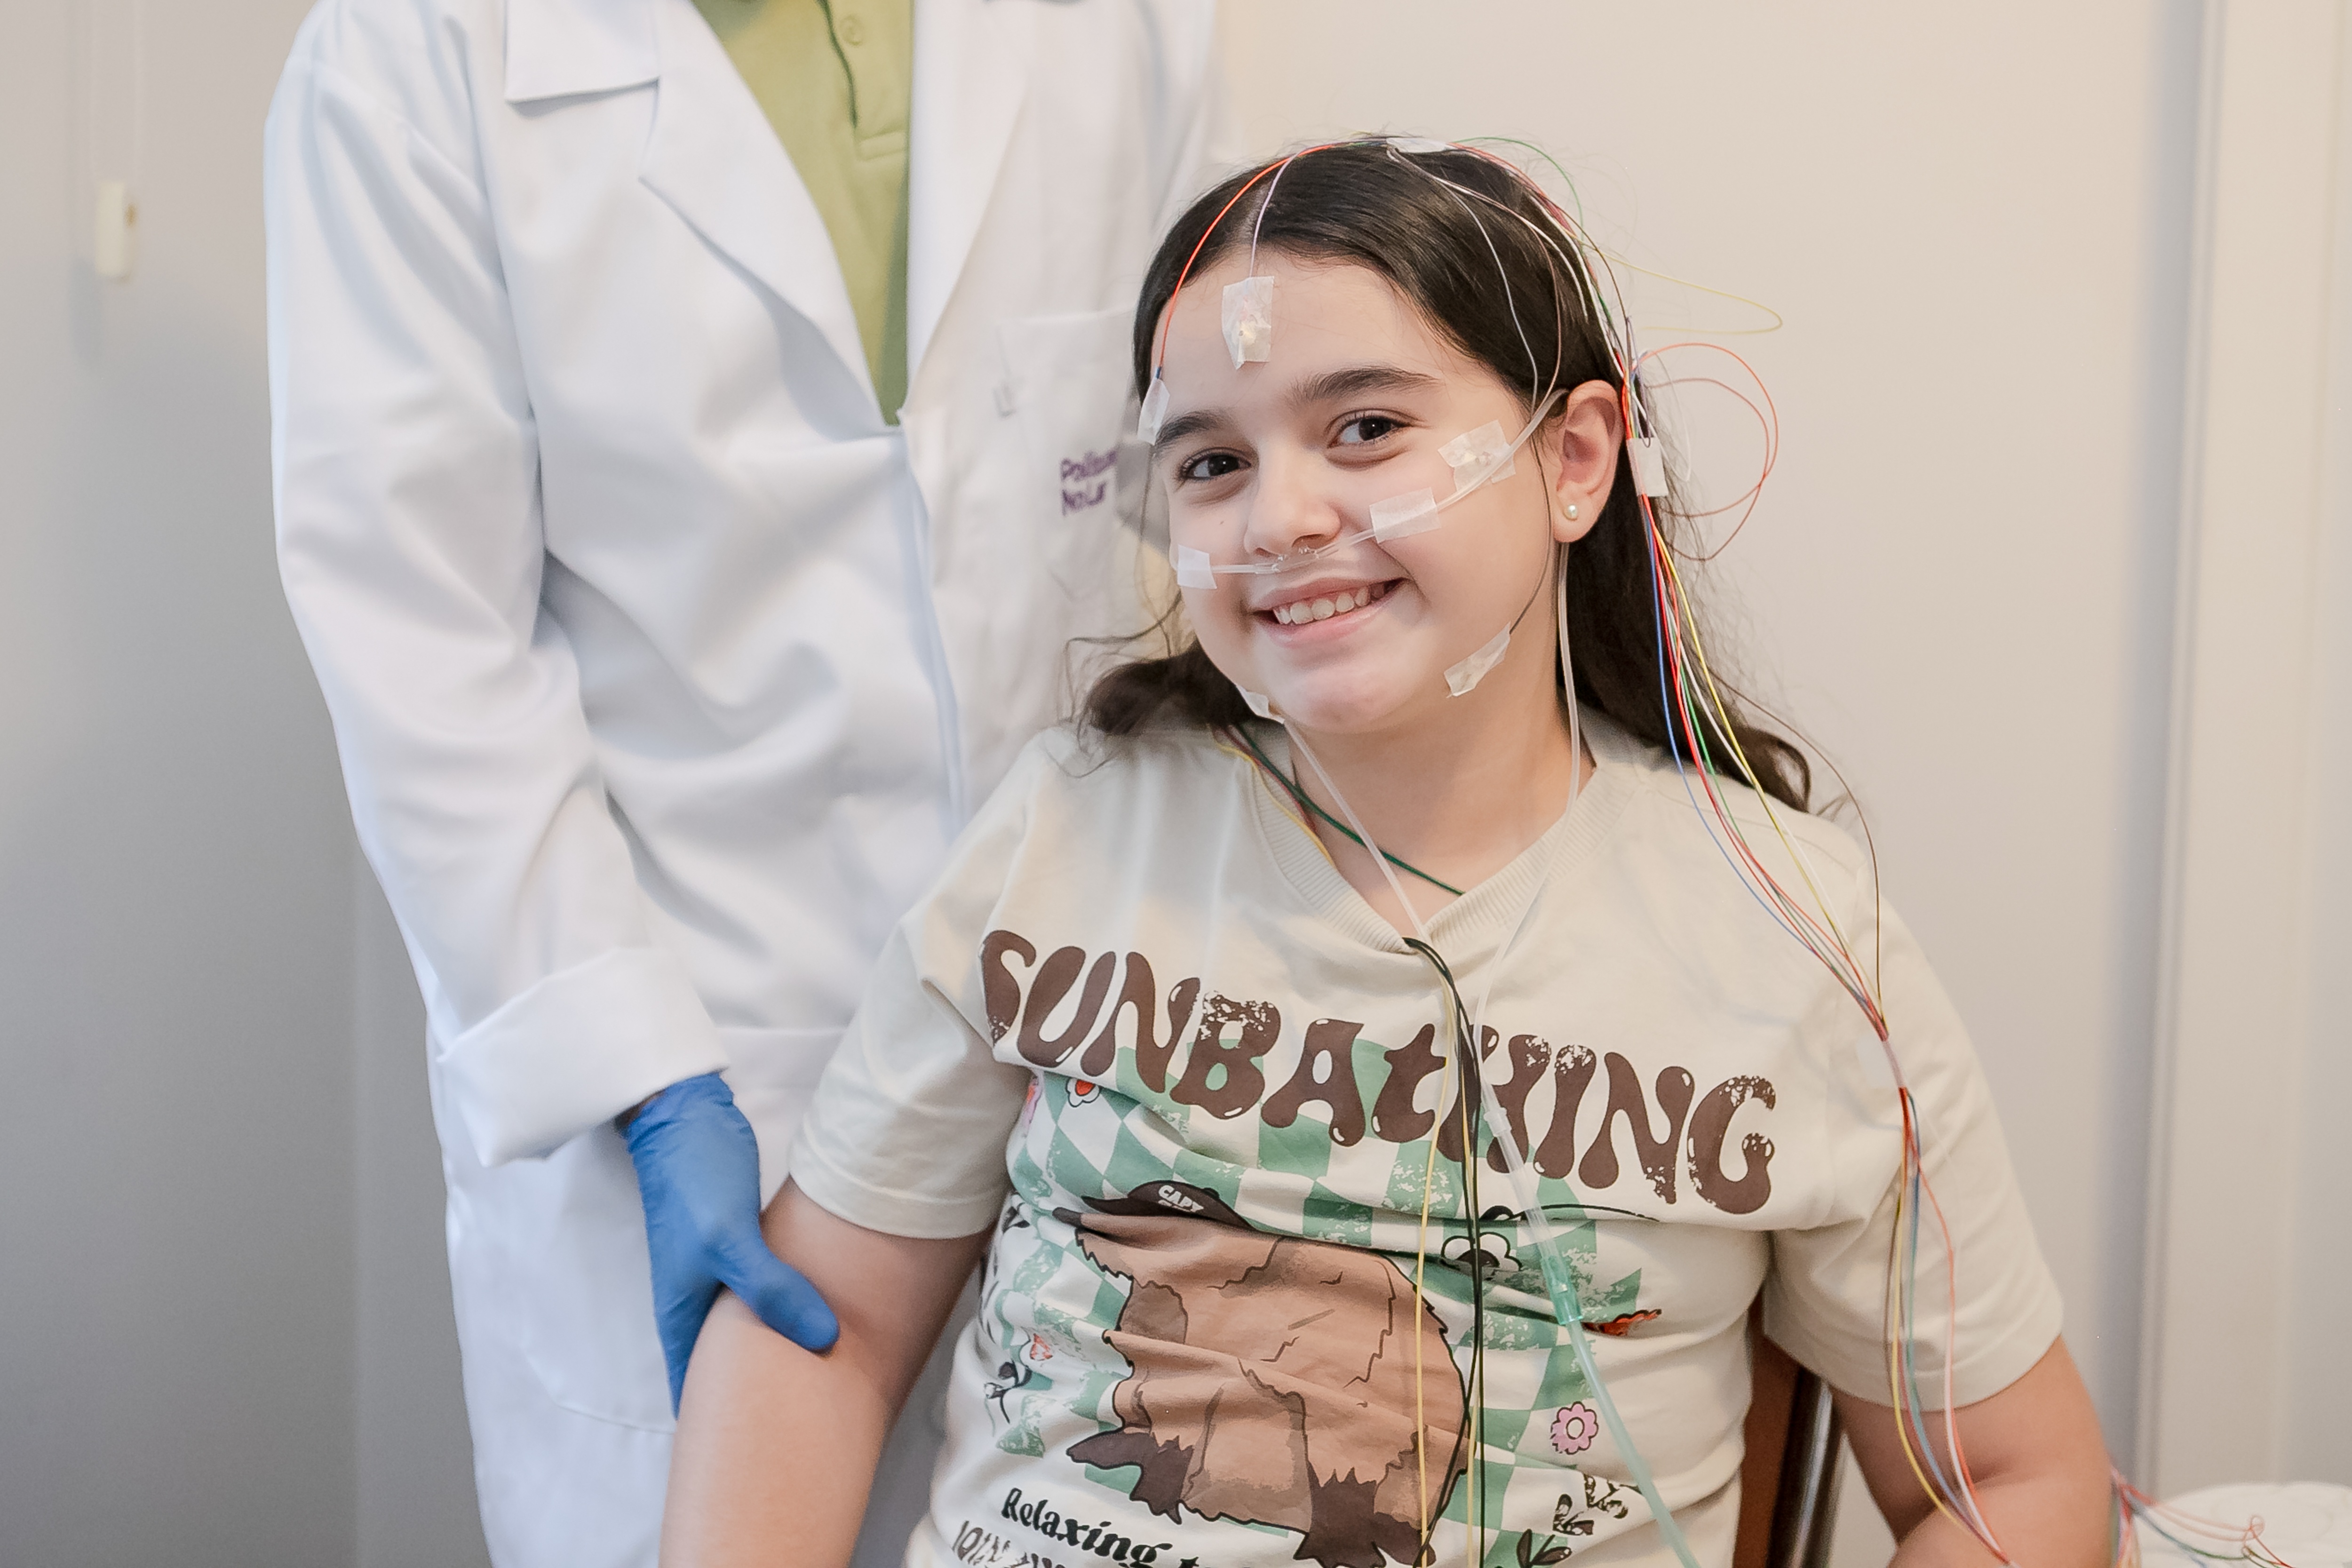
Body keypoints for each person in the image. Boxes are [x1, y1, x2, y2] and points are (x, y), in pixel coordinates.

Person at [660, 142, 2115, 1568]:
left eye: (1364, 428)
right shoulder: (1072, 831)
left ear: (1576, 460)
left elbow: (2017, 1482)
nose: (1281, 516)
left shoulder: (1790, 931)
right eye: (1214, 461)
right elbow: (822, 1340)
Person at [263, 1, 1225, 1564]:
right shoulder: (414, 54)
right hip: (696, 1051)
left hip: (1092, 1038)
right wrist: (639, 1080)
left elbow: (1224, 435)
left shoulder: (1125, 27)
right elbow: (421, 638)